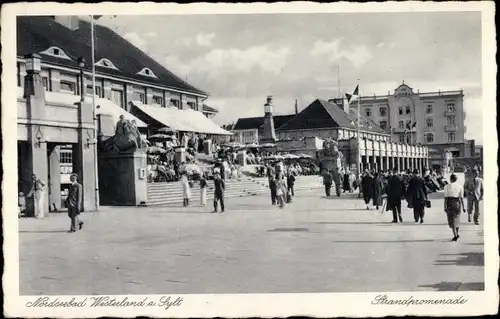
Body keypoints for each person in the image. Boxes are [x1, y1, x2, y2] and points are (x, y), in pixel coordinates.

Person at [444, 174, 466, 241]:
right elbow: (461, 198)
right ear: (456, 179)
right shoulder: (460, 186)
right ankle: (457, 233)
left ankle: (455, 235)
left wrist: (445, 206)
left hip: (449, 203)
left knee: (451, 219)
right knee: (457, 219)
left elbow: (446, 198)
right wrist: (463, 207)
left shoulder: (446, 186)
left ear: (450, 179)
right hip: (457, 203)